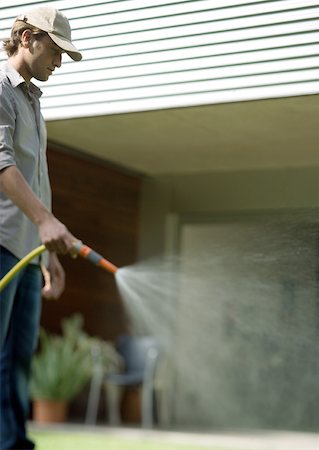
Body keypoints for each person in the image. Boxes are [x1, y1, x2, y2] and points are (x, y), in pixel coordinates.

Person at [0, 7, 82, 449]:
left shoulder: (31, 99)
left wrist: (48, 250)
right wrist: (46, 221)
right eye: (56, 50)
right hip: (1, 242)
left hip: (29, 253)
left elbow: (37, 179)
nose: (60, 62)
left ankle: (15, 443)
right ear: (29, 37)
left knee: (18, 362)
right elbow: (3, 167)